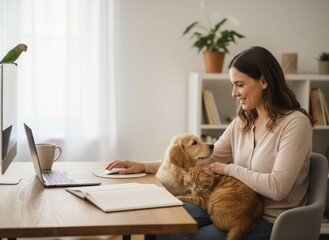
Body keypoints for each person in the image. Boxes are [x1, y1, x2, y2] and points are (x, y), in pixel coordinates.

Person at [106, 46, 313, 240]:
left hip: (273, 222)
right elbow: (205, 162)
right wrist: (145, 166)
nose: (234, 93)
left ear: (264, 82)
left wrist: (229, 169)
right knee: (165, 214)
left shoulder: (295, 124)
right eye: (233, 85)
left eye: (240, 85)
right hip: (233, 205)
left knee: (181, 231)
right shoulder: (243, 122)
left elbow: (278, 188)